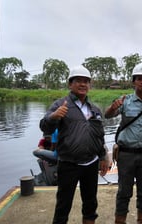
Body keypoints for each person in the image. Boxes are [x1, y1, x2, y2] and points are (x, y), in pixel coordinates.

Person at [39, 65, 109, 224]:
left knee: (90, 205)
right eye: (78, 81)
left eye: (86, 81)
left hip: (91, 164)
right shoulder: (60, 104)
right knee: (63, 205)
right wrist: (54, 117)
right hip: (68, 164)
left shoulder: (95, 109)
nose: (83, 84)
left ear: (89, 85)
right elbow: (45, 128)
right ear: (70, 84)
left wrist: (103, 156)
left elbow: (99, 136)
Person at [104, 62, 142, 224]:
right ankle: (120, 220)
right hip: (126, 154)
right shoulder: (125, 101)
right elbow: (107, 116)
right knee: (124, 191)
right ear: (134, 81)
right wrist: (112, 108)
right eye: (139, 79)